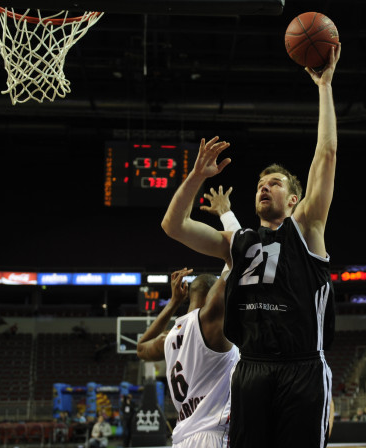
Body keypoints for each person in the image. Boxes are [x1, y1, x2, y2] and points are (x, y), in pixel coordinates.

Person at [160, 43, 341, 448]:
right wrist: (195, 178)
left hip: (302, 367)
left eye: (275, 183)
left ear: (293, 199)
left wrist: (324, 86)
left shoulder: (307, 228)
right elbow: (174, 226)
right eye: (261, 182)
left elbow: (326, 155)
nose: (264, 186)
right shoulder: (237, 242)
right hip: (253, 369)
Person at [137, 268, 240, 448]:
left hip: (182, 438)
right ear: (212, 296)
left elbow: (140, 348)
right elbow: (229, 271)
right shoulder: (210, 323)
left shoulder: (168, 338)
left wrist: (174, 301)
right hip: (213, 434)